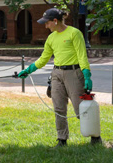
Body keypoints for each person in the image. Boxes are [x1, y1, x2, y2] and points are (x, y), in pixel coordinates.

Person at [18, 8, 102, 148]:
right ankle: (62, 139)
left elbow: (82, 56)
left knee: (80, 109)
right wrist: (28, 70)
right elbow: (44, 58)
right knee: (58, 108)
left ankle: (95, 137)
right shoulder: (51, 38)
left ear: (55, 21)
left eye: (47, 23)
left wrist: (87, 75)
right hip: (56, 74)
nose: (45, 26)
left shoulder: (74, 33)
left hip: (74, 73)